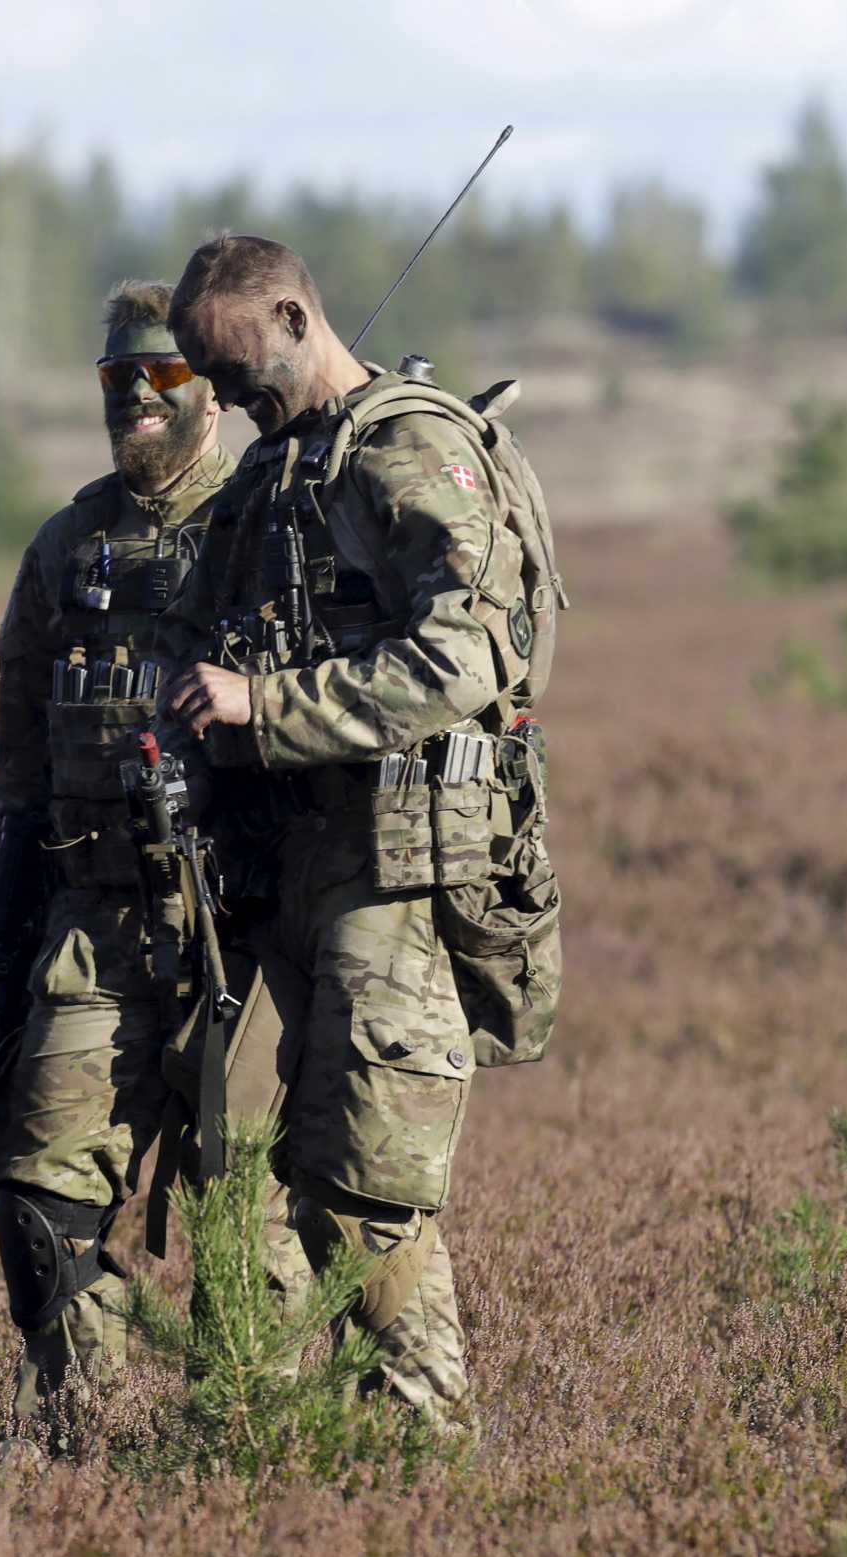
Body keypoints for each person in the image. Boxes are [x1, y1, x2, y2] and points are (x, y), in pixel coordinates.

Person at [159, 235, 551, 1431]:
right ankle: (268, 1442)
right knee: (250, 1185)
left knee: (365, 1191)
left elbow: (470, 654)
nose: (225, 402)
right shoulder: (272, 481)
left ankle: (424, 1451)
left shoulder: (410, 452)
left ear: (293, 316)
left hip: (403, 872)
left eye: (235, 372)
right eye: (206, 386)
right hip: (286, 875)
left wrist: (263, 706)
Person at [0, 280, 240, 1421]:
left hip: (251, 931)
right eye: (115, 377)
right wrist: (11, 928)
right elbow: (19, 767)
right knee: (34, 1197)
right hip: (97, 922)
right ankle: (91, 1431)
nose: (134, 395)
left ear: (211, 388)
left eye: (162, 374)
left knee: (253, 1233)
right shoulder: (66, 545)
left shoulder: (269, 521)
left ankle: (256, 1457)